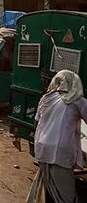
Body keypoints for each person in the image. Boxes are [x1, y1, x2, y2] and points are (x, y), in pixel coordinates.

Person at [30, 70, 87, 202]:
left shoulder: (46, 98)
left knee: (49, 184)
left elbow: (36, 122)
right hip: (60, 151)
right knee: (67, 194)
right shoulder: (77, 101)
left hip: (42, 146)